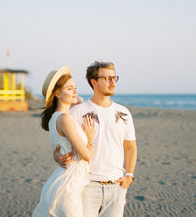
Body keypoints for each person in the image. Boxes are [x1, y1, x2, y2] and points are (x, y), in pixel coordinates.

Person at [55, 61, 137, 217]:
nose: (112, 82)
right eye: (107, 78)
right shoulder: (77, 112)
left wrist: (130, 176)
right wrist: (57, 156)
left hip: (117, 186)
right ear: (94, 82)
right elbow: (63, 145)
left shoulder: (124, 113)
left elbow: (130, 147)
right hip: (86, 185)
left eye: (114, 78)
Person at [33, 66, 96, 217]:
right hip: (70, 183)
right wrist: (90, 138)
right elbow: (86, 156)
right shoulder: (65, 119)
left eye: (75, 87)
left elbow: (78, 100)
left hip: (67, 177)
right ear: (57, 93)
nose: (75, 91)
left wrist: (56, 156)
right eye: (70, 88)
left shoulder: (56, 117)